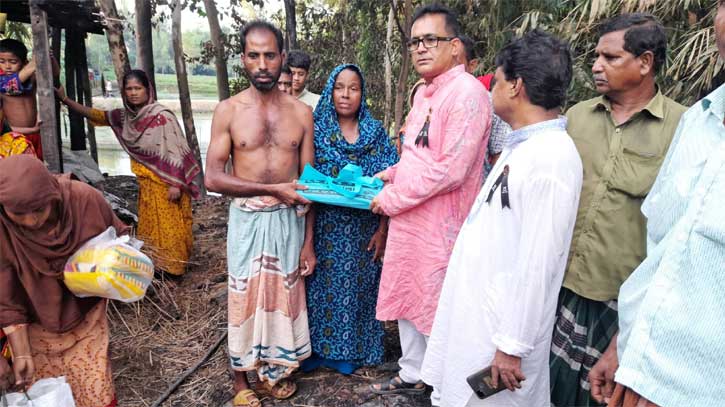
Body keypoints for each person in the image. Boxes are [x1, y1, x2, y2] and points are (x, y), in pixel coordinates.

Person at [421, 29, 582, 407]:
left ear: (516, 86)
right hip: (481, 316)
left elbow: (539, 262)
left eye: (496, 79)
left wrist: (512, 345)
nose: (490, 88)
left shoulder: (552, 159)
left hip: (502, 335)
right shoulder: (523, 145)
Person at [590, 3, 725, 406]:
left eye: (611, 57)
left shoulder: (674, 120)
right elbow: (666, 253)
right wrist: (624, 344)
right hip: (642, 373)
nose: (598, 66)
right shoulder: (699, 122)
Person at [549, 14, 687, 407]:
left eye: (610, 57)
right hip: (562, 289)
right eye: (596, 57)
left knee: (603, 397)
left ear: (645, 63)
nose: (595, 66)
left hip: (623, 304)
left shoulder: (684, 128)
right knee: (548, 390)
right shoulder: (576, 117)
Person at [369, 4, 491, 404]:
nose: (420, 48)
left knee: (436, 301)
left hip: (442, 222)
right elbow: (418, 153)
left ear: (455, 47)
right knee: (407, 294)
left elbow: (451, 169)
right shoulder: (423, 92)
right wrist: (391, 173)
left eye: (430, 40)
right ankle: (412, 371)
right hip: (410, 218)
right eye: (415, 42)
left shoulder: (468, 93)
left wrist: (393, 198)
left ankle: (440, 380)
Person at [204, 20, 315, 407]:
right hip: (247, 220)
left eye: (270, 55)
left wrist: (309, 243)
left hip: (289, 222)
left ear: (282, 58)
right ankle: (240, 381)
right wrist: (272, 190)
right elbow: (213, 177)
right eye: (254, 55)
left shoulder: (301, 113)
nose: (263, 63)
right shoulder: (228, 111)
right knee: (244, 295)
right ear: (243, 60)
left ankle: (273, 371)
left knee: (282, 295)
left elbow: (309, 184)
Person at [0, 155, 130, 407]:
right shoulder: (3, 227)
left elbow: (120, 244)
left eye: (39, 209)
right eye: (19, 213)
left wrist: (109, 270)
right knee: (50, 396)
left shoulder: (84, 201)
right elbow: (5, 292)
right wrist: (22, 352)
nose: (31, 221)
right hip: (36, 326)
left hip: (87, 319)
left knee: (96, 390)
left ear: (52, 194)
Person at [302, 64, 399, 375]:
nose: (346, 94)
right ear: (330, 91)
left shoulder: (375, 133)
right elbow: (309, 186)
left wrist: (383, 231)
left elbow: (390, 183)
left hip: (365, 230)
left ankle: (357, 351)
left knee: (361, 289)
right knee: (323, 290)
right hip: (327, 228)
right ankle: (320, 352)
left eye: (353, 88)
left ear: (362, 93)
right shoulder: (316, 132)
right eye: (339, 87)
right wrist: (308, 242)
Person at [57, 69, 200, 277]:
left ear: (147, 89)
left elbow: (176, 150)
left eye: (137, 88)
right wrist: (65, 100)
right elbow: (95, 114)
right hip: (147, 185)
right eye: (129, 89)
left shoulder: (161, 117)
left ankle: (175, 269)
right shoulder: (124, 118)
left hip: (167, 184)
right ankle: (157, 267)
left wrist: (176, 184)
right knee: (152, 229)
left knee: (172, 228)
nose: (133, 93)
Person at [457, 33, 512, 180]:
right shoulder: (427, 100)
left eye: (455, 63)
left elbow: (499, 155)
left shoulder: (488, 102)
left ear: (472, 65)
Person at [0, 38, 58, 161]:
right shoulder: (2, 82)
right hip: (15, 136)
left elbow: (53, 75)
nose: (7, 66)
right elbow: (10, 85)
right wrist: (34, 63)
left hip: (37, 134)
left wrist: (49, 58)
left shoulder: (31, 77)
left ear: (23, 62)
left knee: (40, 168)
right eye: (2, 62)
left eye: (13, 62)